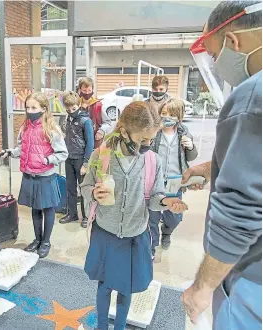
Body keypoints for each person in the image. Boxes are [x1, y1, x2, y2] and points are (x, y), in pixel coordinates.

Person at [181, 2, 262, 329]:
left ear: (233, 42)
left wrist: (203, 287)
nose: (216, 64)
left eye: (214, 56)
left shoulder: (252, 96)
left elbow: (242, 208)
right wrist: (215, 168)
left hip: (250, 278)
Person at [81, 101, 188, 330]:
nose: (147, 144)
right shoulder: (101, 155)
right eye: (142, 139)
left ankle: (119, 326)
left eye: (151, 139)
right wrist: (93, 192)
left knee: (126, 287)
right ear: (123, 130)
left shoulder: (153, 161)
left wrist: (167, 202)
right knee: (104, 284)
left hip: (134, 235)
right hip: (106, 232)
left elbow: (156, 197)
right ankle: (101, 326)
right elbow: (86, 186)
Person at [2, 92, 68, 258]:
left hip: (46, 176)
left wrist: (47, 160)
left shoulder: (52, 129)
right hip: (29, 174)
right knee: (35, 209)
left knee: (48, 208)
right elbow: (23, 149)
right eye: (27, 107)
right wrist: (10, 152)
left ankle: (46, 241)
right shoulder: (24, 127)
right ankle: (37, 239)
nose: (30, 111)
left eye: (34, 107)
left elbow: (63, 153)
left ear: (44, 109)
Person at [149, 99, 198, 257]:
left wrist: (190, 147)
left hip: (175, 181)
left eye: (171, 114)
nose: (166, 117)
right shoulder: (154, 132)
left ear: (179, 117)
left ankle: (167, 232)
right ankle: (153, 245)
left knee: (175, 216)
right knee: (153, 216)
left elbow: (191, 157)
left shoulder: (184, 133)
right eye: (163, 114)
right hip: (155, 181)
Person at [59, 91, 94, 228]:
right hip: (69, 158)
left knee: (83, 188)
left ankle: (86, 216)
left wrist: (86, 162)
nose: (71, 111)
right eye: (68, 109)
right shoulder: (66, 119)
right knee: (70, 187)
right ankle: (72, 213)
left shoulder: (86, 121)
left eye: (73, 108)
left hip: (81, 158)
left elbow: (90, 143)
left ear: (78, 105)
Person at [77, 77, 112, 148]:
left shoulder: (98, 105)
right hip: (78, 142)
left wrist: (101, 131)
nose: (87, 93)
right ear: (80, 90)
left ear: (92, 90)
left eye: (89, 90)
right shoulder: (76, 104)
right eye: (84, 90)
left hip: (94, 141)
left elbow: (108, 123)